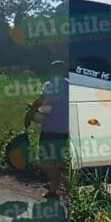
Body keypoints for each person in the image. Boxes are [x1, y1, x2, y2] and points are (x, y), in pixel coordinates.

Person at [25, 60, 69, 198]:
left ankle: (53, 190)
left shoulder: (49, 85)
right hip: (63, 130)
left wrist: (29, 114)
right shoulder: (70, 85)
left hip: (50, 130)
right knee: (57, 159)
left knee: (46, 160)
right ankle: (57, 183)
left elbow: (41, 102)